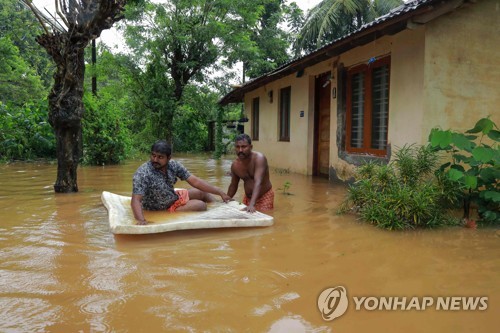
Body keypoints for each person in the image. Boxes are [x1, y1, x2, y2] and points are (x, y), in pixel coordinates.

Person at [131, 140, 231, 225]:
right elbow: (136, 200)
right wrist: (141, 221)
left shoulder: (173, 165)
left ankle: (220, 208)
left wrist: (219, 192)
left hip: (173, 197)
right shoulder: (143, 173)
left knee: (202, 193)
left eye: (160, 157)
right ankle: (213, 217)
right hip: (162, 207)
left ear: (169, 158)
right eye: (153, 156)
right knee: (201, 205)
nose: (155, 160)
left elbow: (195, 181)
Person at [227, 134, 273, 213]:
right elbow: (233, 185)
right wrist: (226, 200)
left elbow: (258, 182)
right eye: (237, 147)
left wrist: (252, 204)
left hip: (264, 196)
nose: (240, 150)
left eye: (244, 147)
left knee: (264, 220)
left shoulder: (259, 159)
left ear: (251, 147)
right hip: (248, 198)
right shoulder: (235, 165)